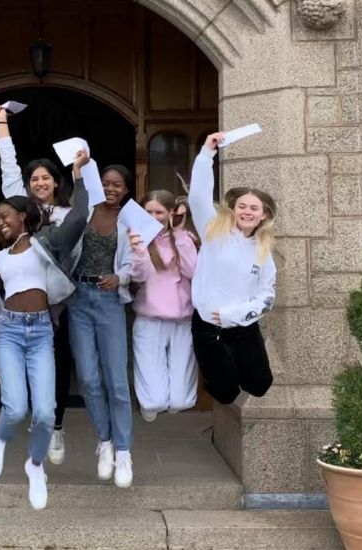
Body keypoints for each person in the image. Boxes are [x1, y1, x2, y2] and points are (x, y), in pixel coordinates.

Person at [0, 150, 91, 510]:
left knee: (45, 413)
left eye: (5, 216)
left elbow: (78, 217)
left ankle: (35, 465)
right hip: (10, 334)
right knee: (14, 410)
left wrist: (78, 177)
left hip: (42, 331)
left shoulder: (48, 244)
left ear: (24, 215)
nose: (0, 223)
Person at [0, 104, 75, 465]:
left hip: (63, 300)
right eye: (34, 179)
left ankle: (55, 425)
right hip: (25, 306)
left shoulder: (69, 216)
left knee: (60, 360)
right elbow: (8, 168)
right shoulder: (22, 210)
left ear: (56, 182)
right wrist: (2, 124)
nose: (39, 183)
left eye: (45, 178)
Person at [187, 132, 277, 405]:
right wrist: (207, 154)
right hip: (209, 327)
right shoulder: (215, 232)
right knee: (225, 394)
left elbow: (267, 296)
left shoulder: (263, 251)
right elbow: (199, 198)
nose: (247, 212)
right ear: (233, 210)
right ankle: (216, 376)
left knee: (261, 385)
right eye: (242, 206)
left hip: (243, 326)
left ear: (263, 215)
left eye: (254, 208)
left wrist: (236, 314)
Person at [68, 163, 136, 488]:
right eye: (107, 183)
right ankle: (105, 441)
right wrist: (78, 169)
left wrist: (120, 276)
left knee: (117, 382)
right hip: (78, 298)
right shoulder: (84, 212)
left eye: (118, 185)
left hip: (109, 301)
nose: (111, 188)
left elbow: (134, 262)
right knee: (87, 378)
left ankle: (123, 451)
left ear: (126, 189)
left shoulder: (130, 219)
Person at [128, 190, 199, 421]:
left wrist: (178, 233)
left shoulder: (184, 238)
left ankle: (170, 403)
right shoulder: (135, 238)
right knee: (154, 400)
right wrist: (138, 250)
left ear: (170, 213)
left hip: (182, 321)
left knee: (180, 400)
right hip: (149, 319)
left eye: (159, 211)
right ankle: (148, 404)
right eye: (148, 211)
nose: (153, 216)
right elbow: (138, 276)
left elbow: (193, 271)